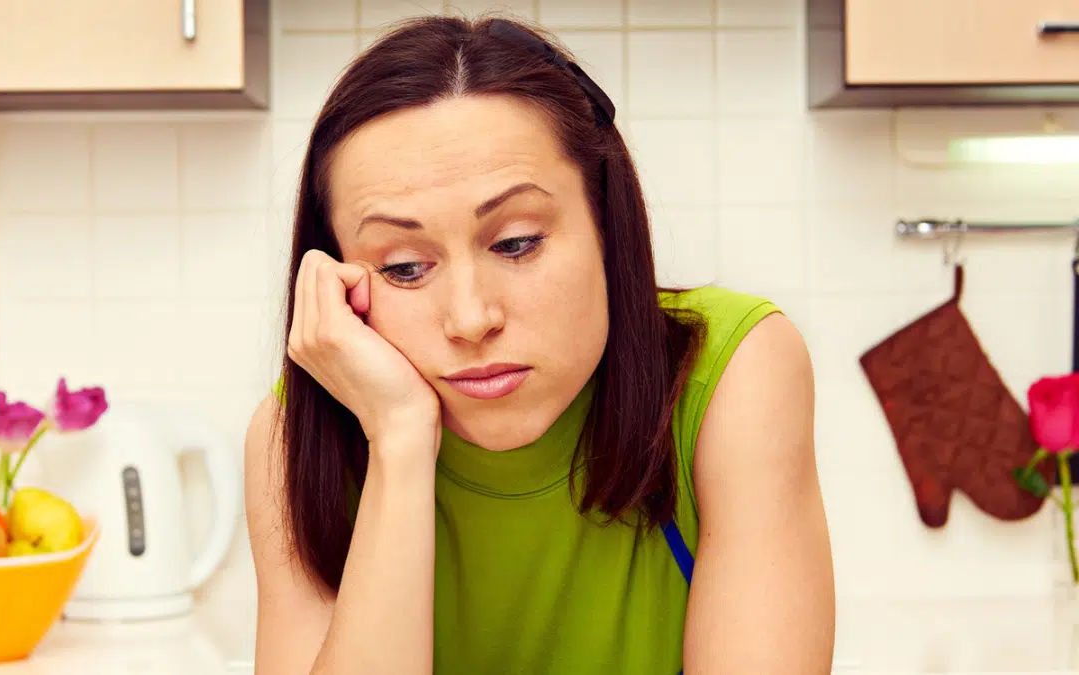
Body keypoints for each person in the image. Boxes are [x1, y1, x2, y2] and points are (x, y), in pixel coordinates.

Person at [244, 13, 835, 675]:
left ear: (606, 224)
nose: (471, 318)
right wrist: (402, 442)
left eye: (516, 242)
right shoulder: (298, 436)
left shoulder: (732, 376)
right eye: (405, 266)